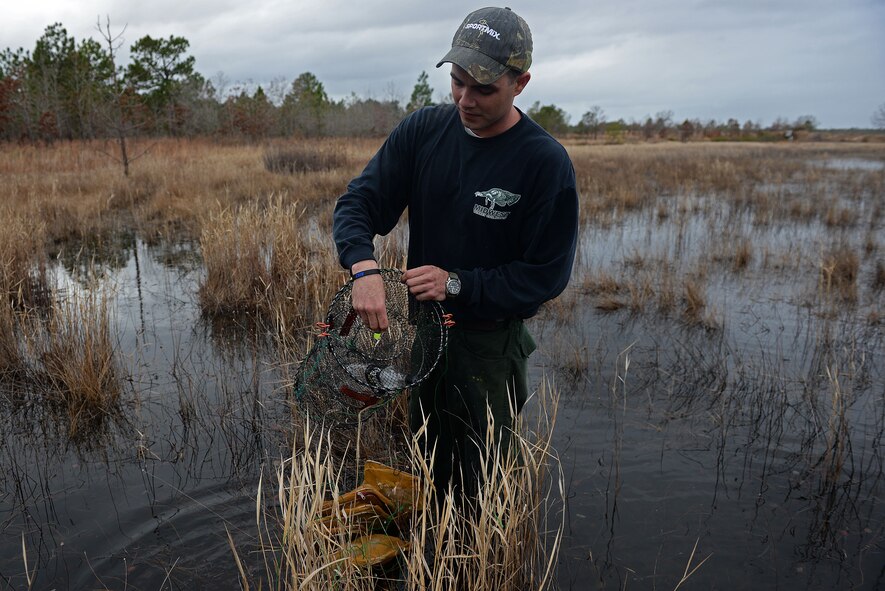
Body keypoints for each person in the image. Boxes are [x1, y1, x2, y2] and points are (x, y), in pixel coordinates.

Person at [333, 6, 578, 500]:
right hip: (427, 334)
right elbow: (357, 204)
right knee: (428, 457)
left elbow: (545, 275)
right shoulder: (423, 131)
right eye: (458, 82)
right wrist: (363, 268)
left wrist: (458, 283)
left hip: (490, 346)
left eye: (484, 89)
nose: (466, 99)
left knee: (484, 477)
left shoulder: (544, 162)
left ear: (520, 83)